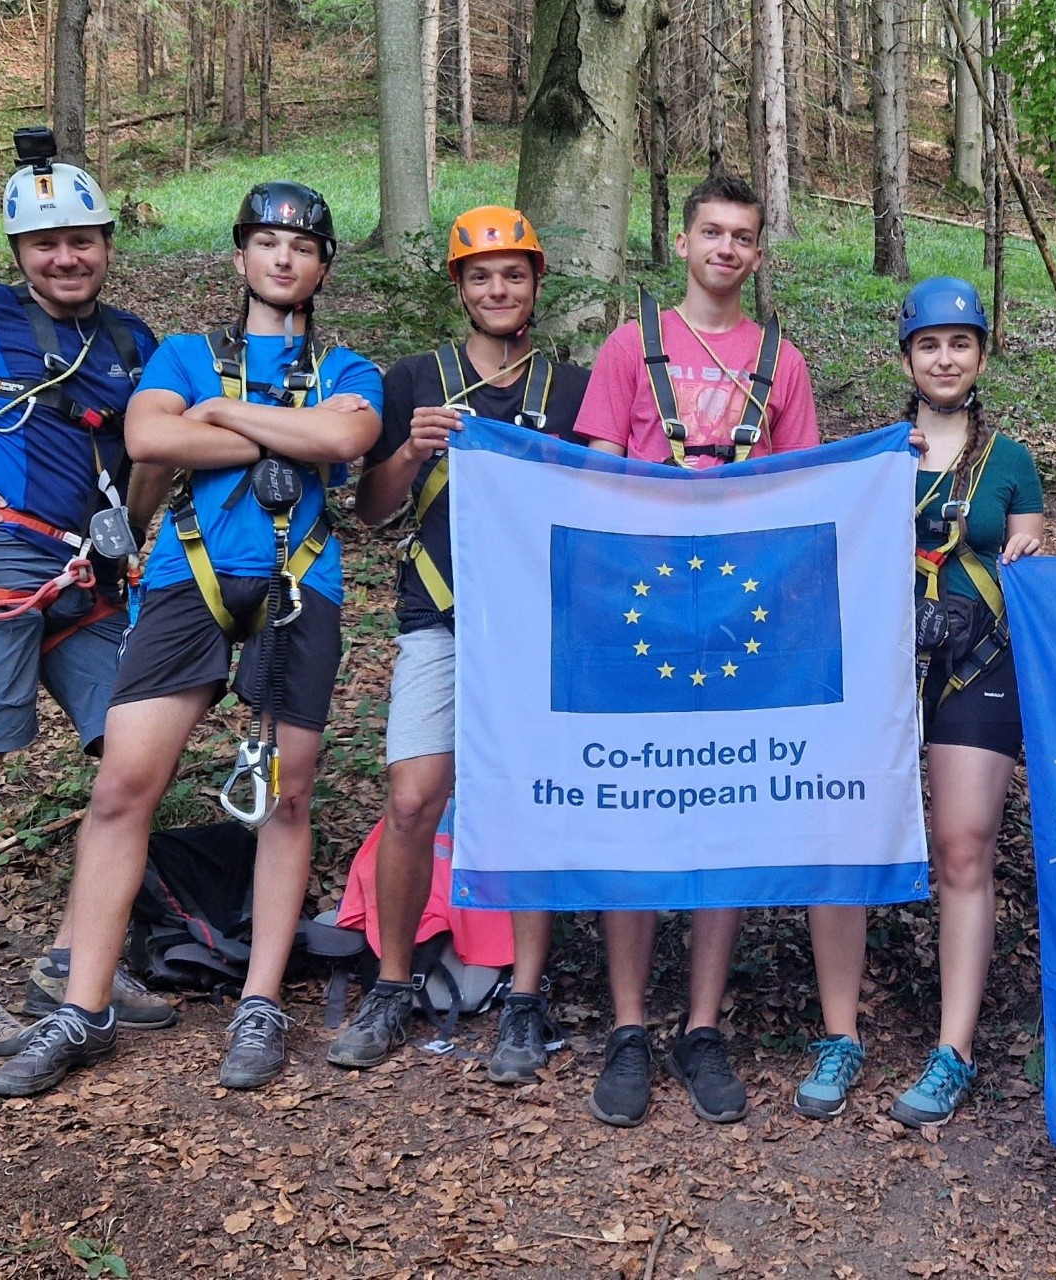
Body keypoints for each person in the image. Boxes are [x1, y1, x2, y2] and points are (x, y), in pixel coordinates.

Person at [0, 182, 383, 1098]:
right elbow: (146, 436)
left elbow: (339, 438)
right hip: (184, 583)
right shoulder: (182, 353)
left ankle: (260, 1000)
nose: (284, 259)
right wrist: (266, 430)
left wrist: (219, 418)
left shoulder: (350, 367)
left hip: (299, 585)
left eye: (303, 247)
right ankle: (82, 1005)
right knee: (124, 783)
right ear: (241, 258)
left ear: (321, 268)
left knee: (287, 796)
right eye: (267, 244)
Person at [0, 128, 174, 1057]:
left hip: (93, 576)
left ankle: (71, 957)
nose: (67, 257)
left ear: (107, 242)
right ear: (19, 253)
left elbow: (150, 452)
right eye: (45, 243)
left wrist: (135, 542)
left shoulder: (133, 340)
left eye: (83, 239)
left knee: (132, 757)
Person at [571, 171, 818, 1127]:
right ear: (683, 242)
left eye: (743, 237)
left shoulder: (781, 362)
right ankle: (629, 1027)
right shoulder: (630, 347)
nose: (726, 249)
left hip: (741, 625)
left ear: (757, 254)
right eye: (711, 232)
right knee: (636, 812)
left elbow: (803, 493)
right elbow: (588, 484)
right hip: (639, 619)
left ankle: (702, 1027)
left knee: (727, 812)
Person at [328, 206, 589, 1083]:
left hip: (541, 626)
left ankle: (523, 995)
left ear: (536, 282)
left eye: (513, 274)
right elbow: (370, 510)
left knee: (528, 805)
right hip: (437, 614)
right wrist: (407, 450)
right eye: (481, 276)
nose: (498, 289)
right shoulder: (416, 379)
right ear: (459, 288)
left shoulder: (573, 386)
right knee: (413, 798)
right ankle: (393, 984)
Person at [797, 276, 1043, 1127]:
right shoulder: (871, 452)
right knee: (841, 837)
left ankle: (953, 1049)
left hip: (976, 665)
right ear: (908, 354)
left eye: (961, 343)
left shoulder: (1009, 457)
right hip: (874, 669)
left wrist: (1028, 541)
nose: (946, 357)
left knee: (965, 846)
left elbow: (1027, 537)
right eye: (930, 343)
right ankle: (839, 1034)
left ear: (981, 354)